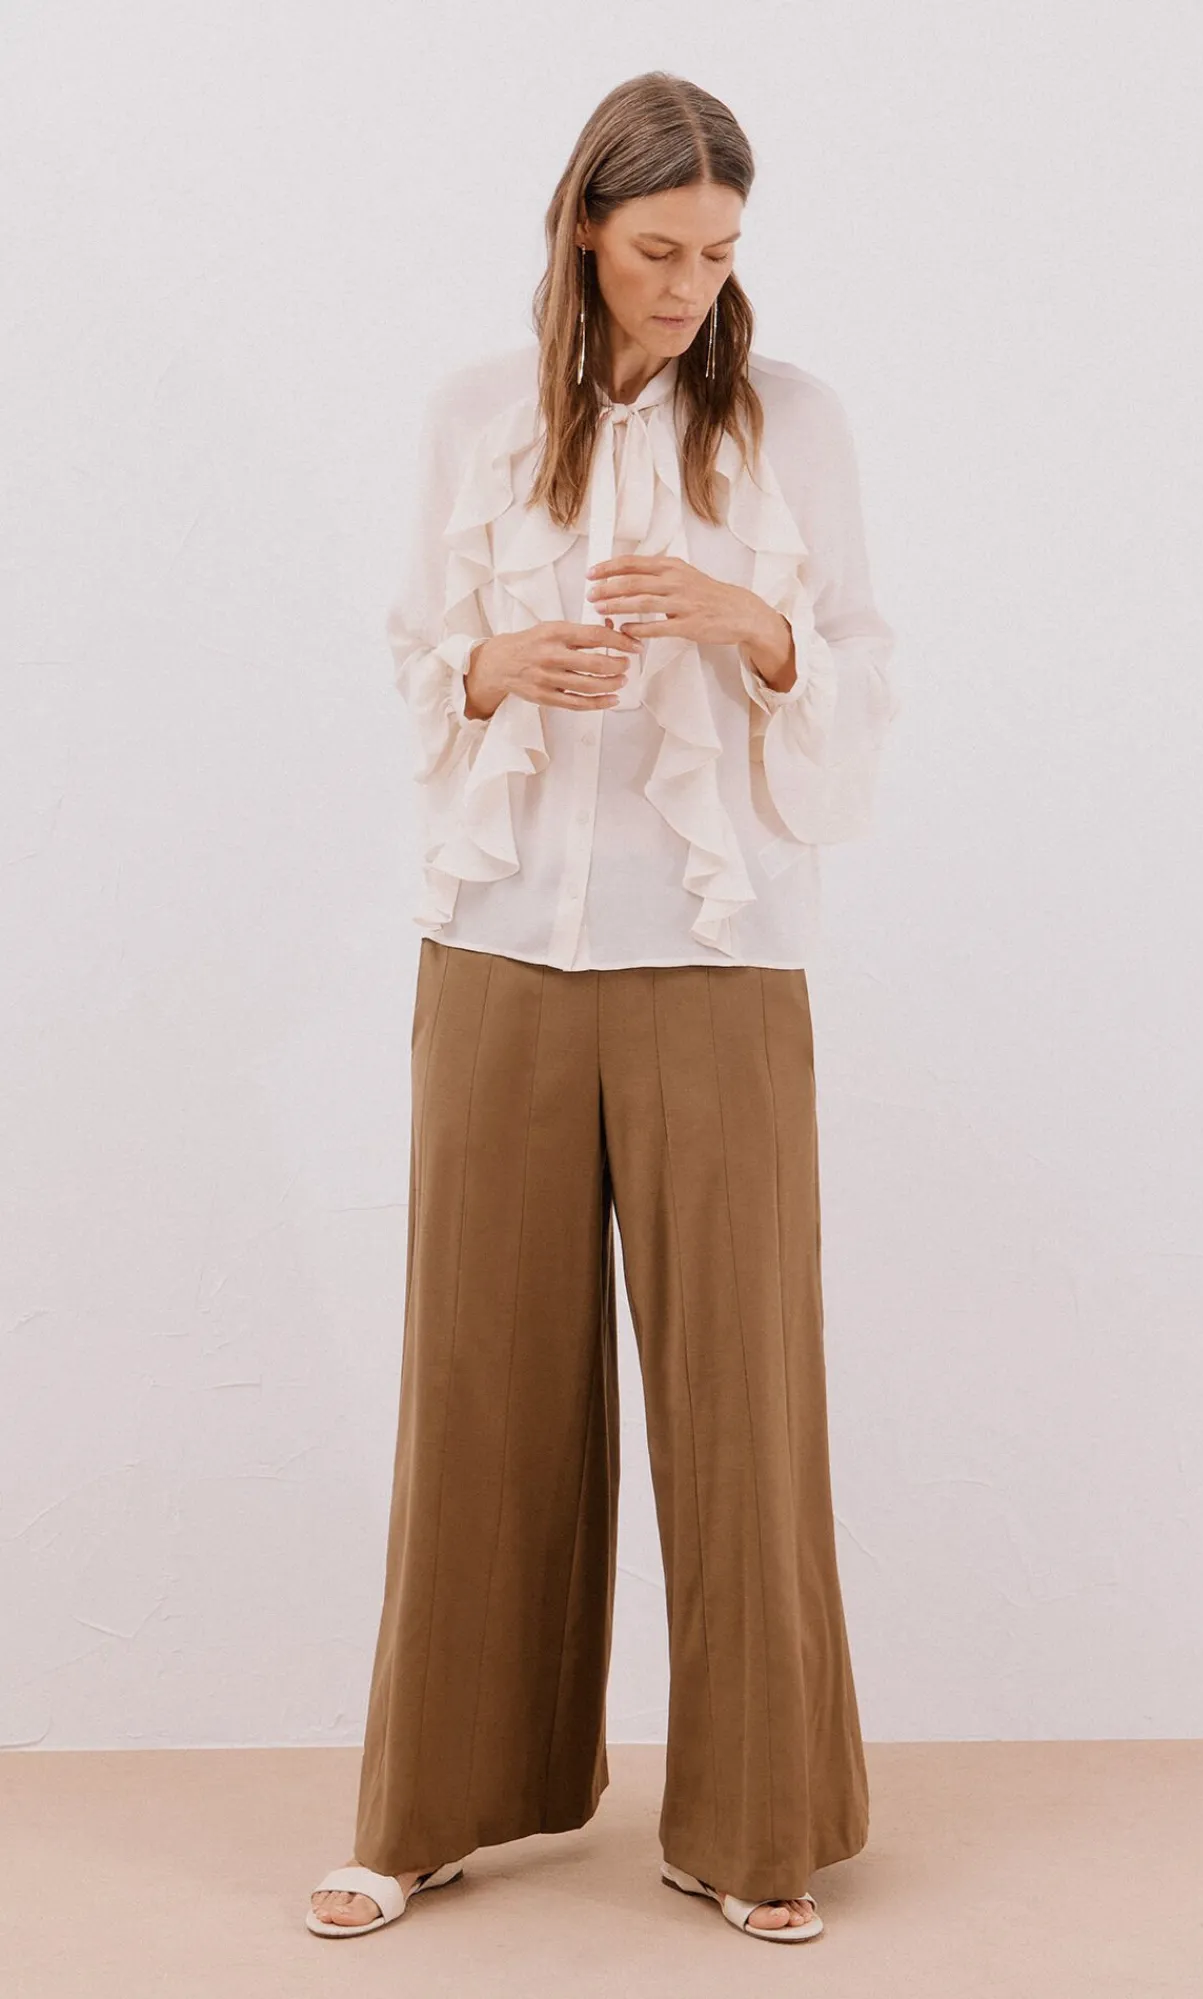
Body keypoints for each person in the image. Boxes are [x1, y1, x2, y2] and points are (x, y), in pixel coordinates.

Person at [307, 68, 899, 1948]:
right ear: (584, 228)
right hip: (497, 949)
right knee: (476, 1378)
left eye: (719, 254)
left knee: (744, 1390)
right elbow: (415, 653)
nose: (689, 285)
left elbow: (860, 667)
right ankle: (427, 1809)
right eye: (658, 249)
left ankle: (753, 1822)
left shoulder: (793, 422)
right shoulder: (474, 414)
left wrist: (746, 622)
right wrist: (500, 662)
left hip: (719, 963)